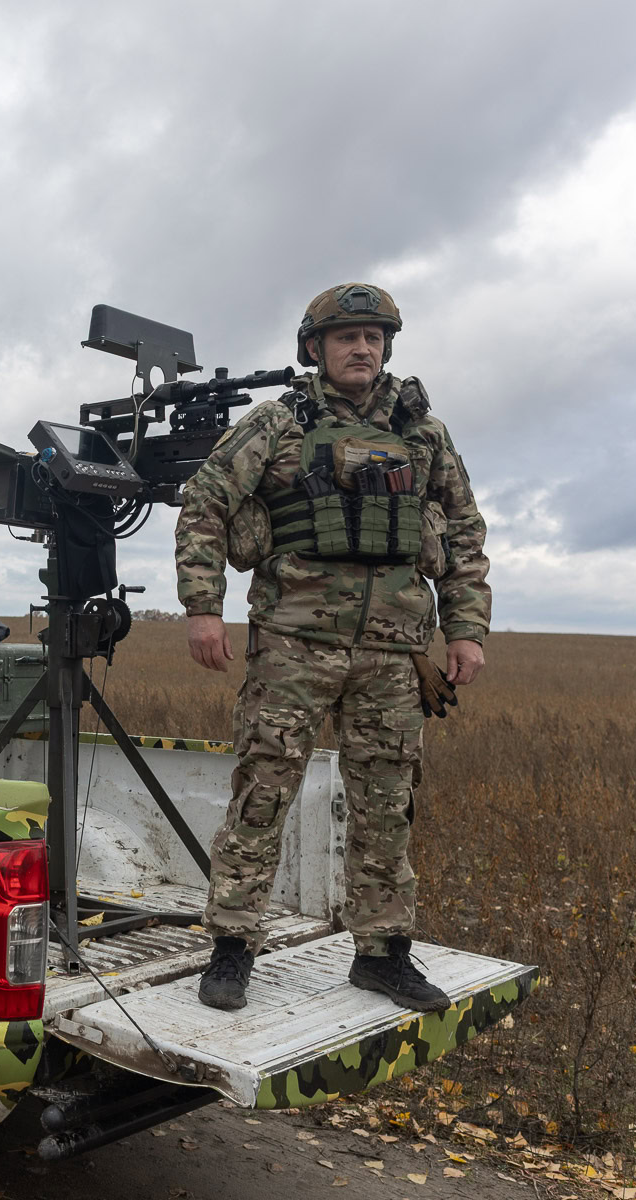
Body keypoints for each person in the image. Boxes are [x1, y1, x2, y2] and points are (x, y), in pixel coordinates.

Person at [173, 282, 490, 1012]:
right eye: (347, 337)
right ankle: (232, 947)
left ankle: (382, 954)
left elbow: (465, 533)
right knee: (263, 794)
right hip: (294, 644)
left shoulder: (424, 433)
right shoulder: (278, 422)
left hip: (394, 654)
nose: (363, 349)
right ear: (315, 348)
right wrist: (203, 609)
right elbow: (206, 503)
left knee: (387, 804)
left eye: (374, 338)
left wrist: (467, 628)